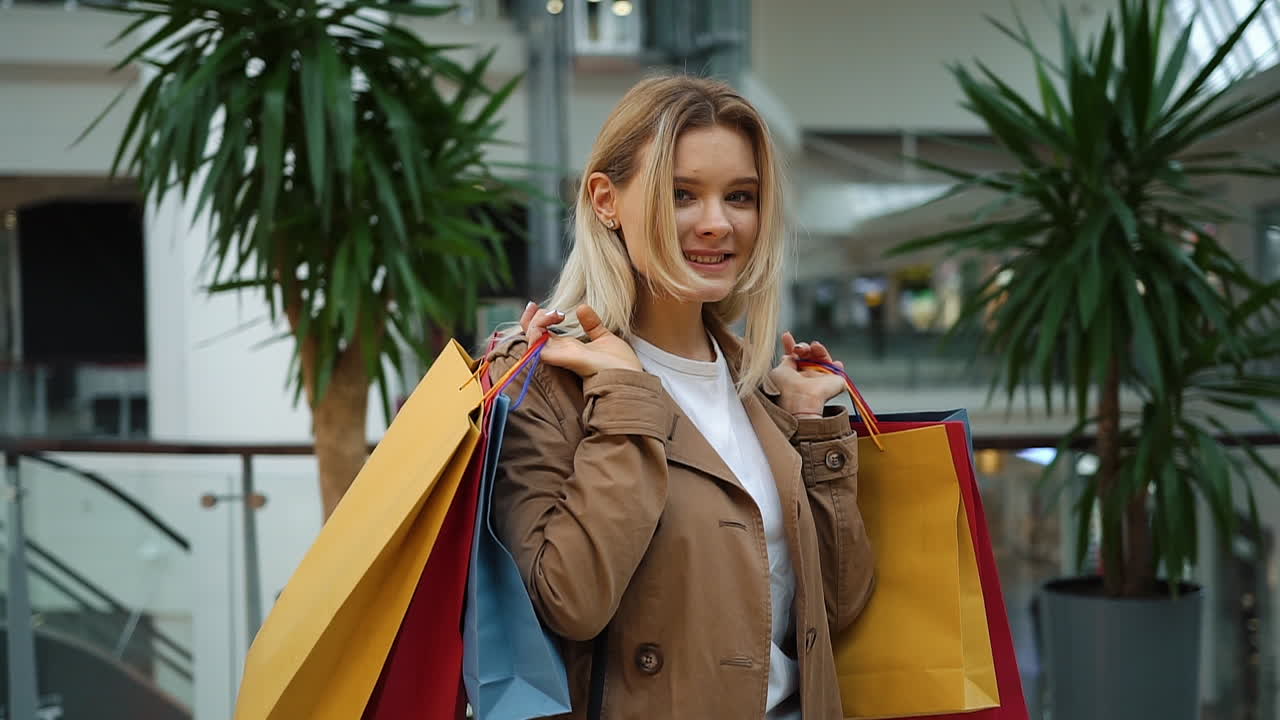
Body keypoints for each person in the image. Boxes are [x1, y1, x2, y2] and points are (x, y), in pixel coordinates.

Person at [485, 74, 875, 720]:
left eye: (741, 196)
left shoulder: (757, 385)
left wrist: (812, 430)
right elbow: (569, 603)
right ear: (607, 201)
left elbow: (839, 605)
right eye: (682, 194)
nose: (717, 224)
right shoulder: (546, 379)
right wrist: (626, 399)